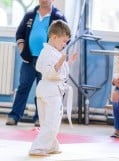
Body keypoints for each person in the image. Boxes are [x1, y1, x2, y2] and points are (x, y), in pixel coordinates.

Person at [6, 0, 67, 126]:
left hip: (47, 61)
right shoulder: (29, 15)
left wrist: (57, 52)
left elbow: (66, 37)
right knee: (23, 87)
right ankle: (14, 115)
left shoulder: (59, 17)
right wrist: (22, 48)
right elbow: (20, 33)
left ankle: (40, 118)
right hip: (29, 59)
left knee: (43, 90)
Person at [29, 20, 73, 156]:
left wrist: (66, 62)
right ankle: (38, 147)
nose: (65, 44)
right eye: (64, 41)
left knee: (46, 121)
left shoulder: (49, 52)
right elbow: (49, 72)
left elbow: (54, 70)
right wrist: (59, 65)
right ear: (54, 37)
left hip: (44, 90)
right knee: (52, 122)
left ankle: (52, 145)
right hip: (51, 92)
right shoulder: (48, 53)